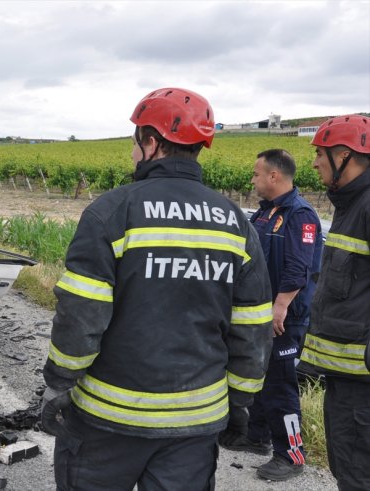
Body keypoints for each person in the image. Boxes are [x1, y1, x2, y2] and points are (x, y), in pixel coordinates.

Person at [41, 87, 273, 490]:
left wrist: (59, 382)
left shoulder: (112, 212)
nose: (132, 152)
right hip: (194, 426)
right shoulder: (236, 222)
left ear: (151, 144)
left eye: (135, 142)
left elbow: (81, 316)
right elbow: (252, 326)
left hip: (106, 421)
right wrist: (239, 403)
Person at [219, 149, 322, 481]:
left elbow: (299, 267)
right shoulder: (264, 214)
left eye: (256, 174)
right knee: (260, 379)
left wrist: (280, 308)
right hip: (260, 314)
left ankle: (291, 454)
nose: (252, 179)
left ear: (273, 176)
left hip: (285, 318)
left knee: (280, 386)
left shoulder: (300, 214)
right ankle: (257, 436)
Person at [299, 114, 370, 491]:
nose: (314, 163)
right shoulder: (350, 206)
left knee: (360, 475)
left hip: (364, 385)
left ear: (345, 155)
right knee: (348, 469)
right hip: (347, 378)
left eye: (321, 155)